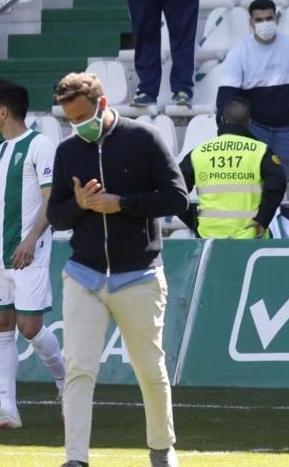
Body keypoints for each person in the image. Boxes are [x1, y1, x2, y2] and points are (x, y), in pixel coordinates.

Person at [46, 72, 188, 467]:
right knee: (78, 370)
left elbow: (177, 197)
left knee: (149, 369)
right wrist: (80, 205)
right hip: (83, 275)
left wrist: (122, 202)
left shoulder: (144, 139)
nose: (78, 126)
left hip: (139, 276)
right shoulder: (67, 152)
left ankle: (162, 449)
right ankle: (75, 459)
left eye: (82, 117)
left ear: (103, 105)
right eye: (70, 120)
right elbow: (56, 216)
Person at [0, 80, 66, 431]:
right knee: (0, 325)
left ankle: (65, 381)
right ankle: (7, 410)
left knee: (29, 327)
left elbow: (51, 198)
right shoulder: (3, 151)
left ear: (3, 111)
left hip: (29, 253)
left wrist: (31, 239)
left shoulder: (40, 145)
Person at [216, 0, 289, 178]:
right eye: (259, 20)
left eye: (269, 18)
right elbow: (226, 97)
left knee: (279, 181)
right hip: (253, 127)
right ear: (251, 23)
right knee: (253, 180)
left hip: (285, 128)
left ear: (277, 19)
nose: (265, 23)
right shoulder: (239, 53)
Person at [178, 95, 286, 239]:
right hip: (251, 237)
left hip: (209, 237)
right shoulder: (261, 151)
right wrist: (262, 219)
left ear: (222, 120)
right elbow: (277, 185)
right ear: (249, 122)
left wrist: (194, 221)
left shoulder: (198, 153)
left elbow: (172, 190)